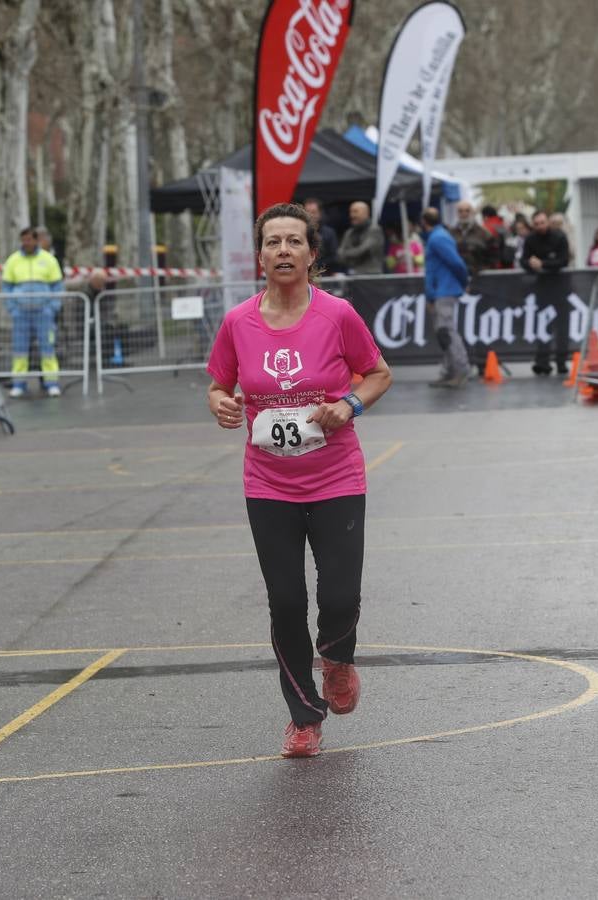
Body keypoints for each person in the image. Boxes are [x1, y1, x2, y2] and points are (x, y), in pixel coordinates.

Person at [205, 201, 393, 758]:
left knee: (338, 595)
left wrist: (350, 405)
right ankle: (304, 715)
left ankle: (337, 660)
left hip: (336, 476)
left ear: (312, 253)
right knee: (285, 601)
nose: (282, 251)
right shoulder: (239, 321)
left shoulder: (336, 315)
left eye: (293, 241)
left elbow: (380, 373)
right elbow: (218, 384)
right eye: (272, 242)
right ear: (260, 255)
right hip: (269, 483)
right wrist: (221, 404)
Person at [1, 226, 65, 397]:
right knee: (20, 349)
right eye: (24, 240)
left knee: (47, 348)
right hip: (21, 312)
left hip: (43, 312)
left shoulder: (49, 259)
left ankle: (51, 382)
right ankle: (19, 384)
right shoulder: (13, 260)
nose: (26, 243)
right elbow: (6, 287)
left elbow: (57, 286)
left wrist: (53, 307)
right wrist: (12, 308)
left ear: (36, 240)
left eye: (29, 239)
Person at [422, 207, 471, 388]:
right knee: (443, 333)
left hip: (445, 291)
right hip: (441, 291)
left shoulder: (438, 238)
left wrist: (464, 281)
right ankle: (451, 371)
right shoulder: (438, 237)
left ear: (424, 222)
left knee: (446, 331)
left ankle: (460, 370)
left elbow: (457, 263)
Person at [521, 210, 572, 375]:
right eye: (536, 224)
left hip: (560, 286)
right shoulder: (530, 239)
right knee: (543, 325)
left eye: (542, 223)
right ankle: (542, 361)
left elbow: (563, 260)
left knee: (562, 326)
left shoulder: (559, 237)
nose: (540, 226)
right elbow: (523, 260)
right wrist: (531, 264)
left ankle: (561, 361)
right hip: (541, 288)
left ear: (547, 222)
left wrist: (542, 263)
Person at [451, 199, 500, 275]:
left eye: (467, 211)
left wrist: (484, 270)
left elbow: (494, 256)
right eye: (460, 211)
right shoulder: (450, 233)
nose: (464, 214)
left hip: (479, 278)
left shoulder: (484, 233)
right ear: (457, 213)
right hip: (456, 277)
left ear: (472, 212)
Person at [335, 201, 384, 275]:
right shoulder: (349, 232)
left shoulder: (374, 230)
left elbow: (362, 251)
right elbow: (339, 256)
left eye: (355, 212)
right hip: (353, 276)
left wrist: (346, 253)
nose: (352, 215)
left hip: (372, 276)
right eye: (350, 212)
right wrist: (348, 254)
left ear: (366, 213)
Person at [303, 198, 339, 275]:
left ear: (320, 213)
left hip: (324, 275)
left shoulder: (329, 233)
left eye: (313, 212)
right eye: (307, 212)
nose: (310, 215)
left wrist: (315, 264)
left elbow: (334, 257)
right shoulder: (298, 232)